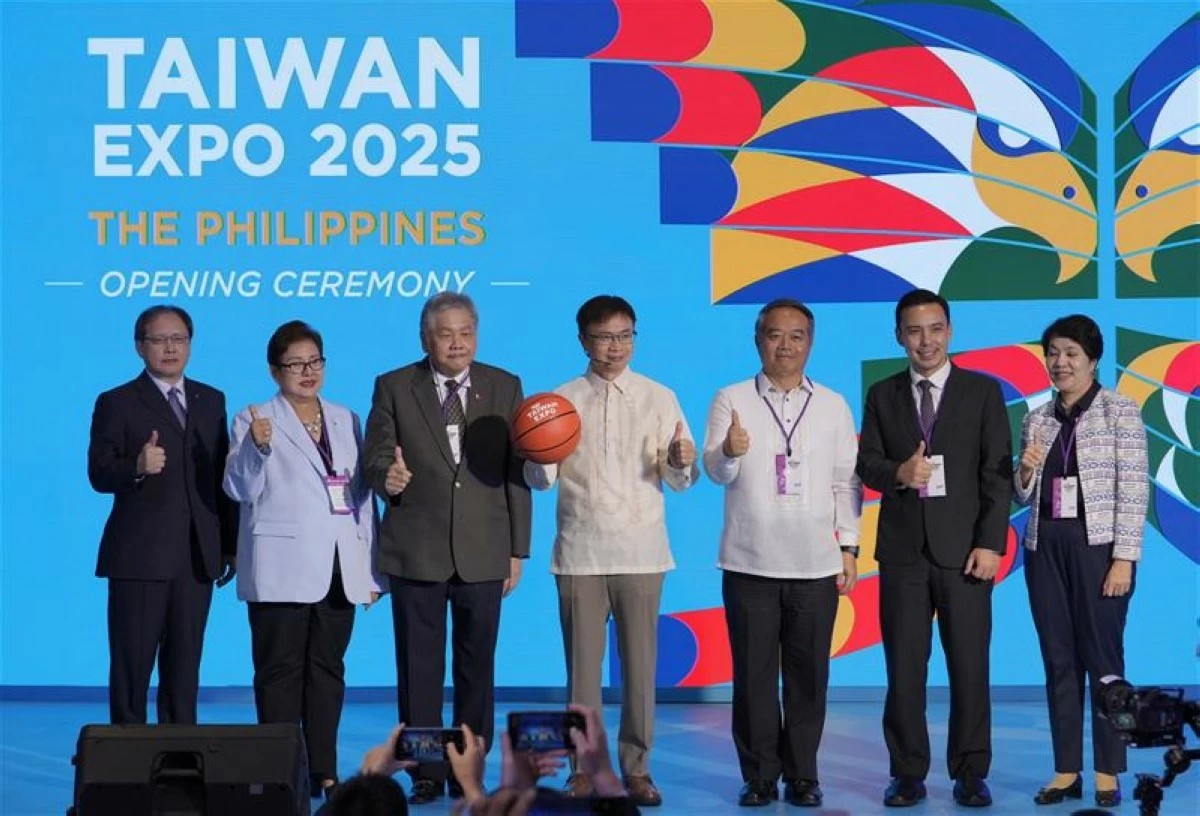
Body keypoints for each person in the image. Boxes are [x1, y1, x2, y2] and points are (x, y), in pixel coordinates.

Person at [524, 295, 699, 807]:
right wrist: (536, 454)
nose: (615, 346)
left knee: (641, 672)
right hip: (580, 552)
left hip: (643, 550)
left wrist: (679, 461)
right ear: (583, 340)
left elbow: (681, 480)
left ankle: (637, 769)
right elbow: (541, 480)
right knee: (582, 673)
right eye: (604, 336)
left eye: (625, 335)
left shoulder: (659, 396)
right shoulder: (559, 399)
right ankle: (583, 769)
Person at [363, 292, 533, 805]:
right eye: (446, 333)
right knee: (419, 668)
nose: (457, 342)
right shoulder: (394, 386)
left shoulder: (504, 386)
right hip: (417, 548)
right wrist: (386, 478)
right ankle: (425, 770)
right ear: (425, 338)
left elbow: (516, 473)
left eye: (466, 332)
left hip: (485, 549)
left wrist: (517, 550)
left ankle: (469, 767)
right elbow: (374, 457)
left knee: (477, 666)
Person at [701, 299, 862, 808]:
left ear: (810, 343)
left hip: (815, 564)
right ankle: (760, 776)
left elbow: (846, 482)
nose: (785, 346)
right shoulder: (731, 398)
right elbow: (715, 472)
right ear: (758, 340)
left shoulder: (834, 404)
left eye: (796, 336)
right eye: (775, 335)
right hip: (749, 562)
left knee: (809, 676)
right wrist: (730, 450)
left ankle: (804, 775)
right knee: (751, 678)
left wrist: (849, 546)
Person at [856, 289, 1012, 808]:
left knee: (970, 666)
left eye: (935, 328)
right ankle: (906, 772)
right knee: (904, 669)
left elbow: (996, 474)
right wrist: (899, 472)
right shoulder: (882, 394)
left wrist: (991, 544)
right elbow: (868, 463)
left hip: (966, 553)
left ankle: (970, 771)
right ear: (899, 336)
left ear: (950, 330)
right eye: (914, 330)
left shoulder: (982, 392)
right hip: (902, 554)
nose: (926, 340)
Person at [223, 320, 384, 799]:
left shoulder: (346, 418)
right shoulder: (252, 418)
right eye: (295, 364)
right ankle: (275, 772)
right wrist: (258, 446)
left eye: (314, 361)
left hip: (339, 570)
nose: (307, 371)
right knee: (278, 674)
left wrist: (370, 569)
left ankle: (324, 772)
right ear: (275, 370)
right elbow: (238, 488)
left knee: (329, 673)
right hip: (281, 569)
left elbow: (360, 500)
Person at [1014, 315, 1147, 809]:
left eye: (1071, 353)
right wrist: (1023, 470)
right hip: (1044, 546)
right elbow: (1023, 493)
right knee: (1058, 662)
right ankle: (1065, 770)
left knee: (1105, 664)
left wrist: (1124, 559)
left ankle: (1108, 772)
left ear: (1092, 360)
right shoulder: (1037, 418)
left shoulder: (1120, 412)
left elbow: (1135, 488)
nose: (1059, 362)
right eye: (1052, 352)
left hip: (1099, 548)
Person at [87, 305, 238, 725]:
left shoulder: (211, 399)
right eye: (159, 340)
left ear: (190, 344)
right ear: (140, 347)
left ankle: (178, 761)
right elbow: (98, 472)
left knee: (184, 671)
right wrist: (135, 465)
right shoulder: (116, 402)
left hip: (196, 558)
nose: (170, 348)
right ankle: (127, 770)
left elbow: (221, 475)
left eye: (179, 339)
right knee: (132, 670)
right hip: (140, 558)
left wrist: (230, 544)